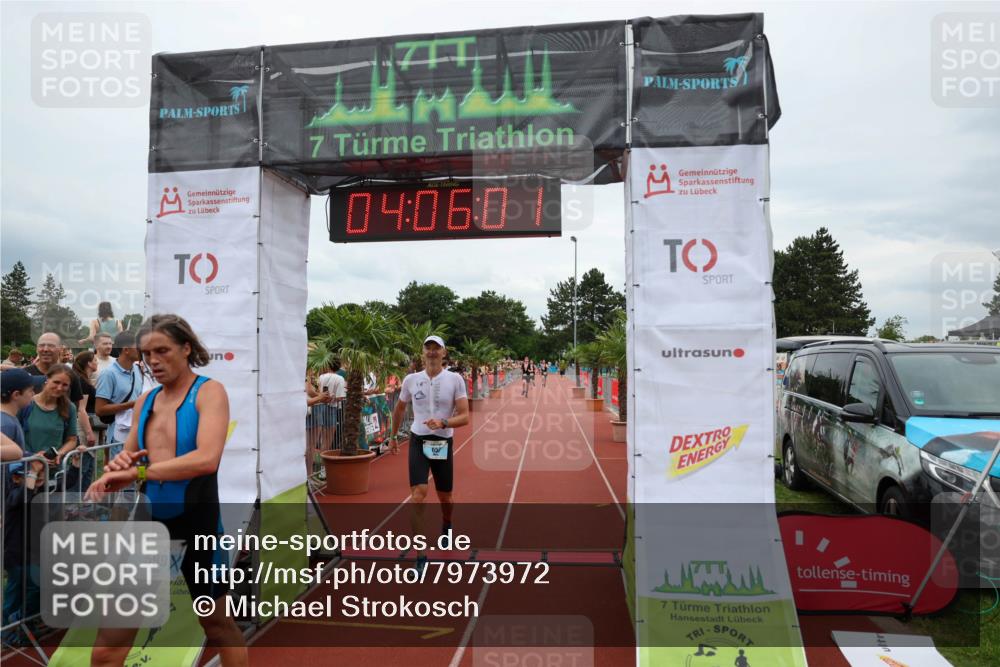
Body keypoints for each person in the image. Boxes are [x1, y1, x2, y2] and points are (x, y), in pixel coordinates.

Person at [86, 313, 248, 667]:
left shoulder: (209, 392)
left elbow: (206, 459)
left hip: (199, 526)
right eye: (146, 354)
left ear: (186, 348)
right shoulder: (146, 402)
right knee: (106, 650)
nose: (153, 361)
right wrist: (116, 470)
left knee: (218, 626)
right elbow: (130, 458)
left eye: (162, 350)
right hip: (148, 526)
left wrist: (139, 471)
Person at [388, 335, 469, 572]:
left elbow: (464, 417)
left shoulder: (455, 379)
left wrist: (444, 422)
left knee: (446, 498)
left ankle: (447, 523)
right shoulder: (411, 380)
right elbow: (400, 408)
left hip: (442, 441)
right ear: (422, 352)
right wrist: (393, 437)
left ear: (444, 353)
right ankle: (421, 557)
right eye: (428, 348)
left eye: (437, 348)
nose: (432, 352)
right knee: (418, 495)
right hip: (418, 440)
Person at [26, 332, 89, 445]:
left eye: (51, 345)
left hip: (60, 443)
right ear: (37, 349)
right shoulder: (25, 375)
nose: (45, 349)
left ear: (60, 349)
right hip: (30, 442)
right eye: (41, 345)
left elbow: (75, 409)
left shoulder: (71, 376)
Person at [95, 331, 143, 454]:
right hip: (118, 437)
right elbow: (100, 409)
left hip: (136, 434)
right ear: (126, 350)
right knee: (120, 472)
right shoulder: (108, 374)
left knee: (139, 472)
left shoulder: (137, 371)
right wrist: (131, 404)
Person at [69, 351, 100, 490]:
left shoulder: (83, 379)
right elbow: (82, 410)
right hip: (84, 426)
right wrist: (89, 433)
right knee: (84, 466)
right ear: (89, 363)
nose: (97, 362)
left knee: (87, 468)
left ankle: (83, 501)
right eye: (95, 360)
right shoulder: (82, 381)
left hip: (86, 424)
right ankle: (76, 503)